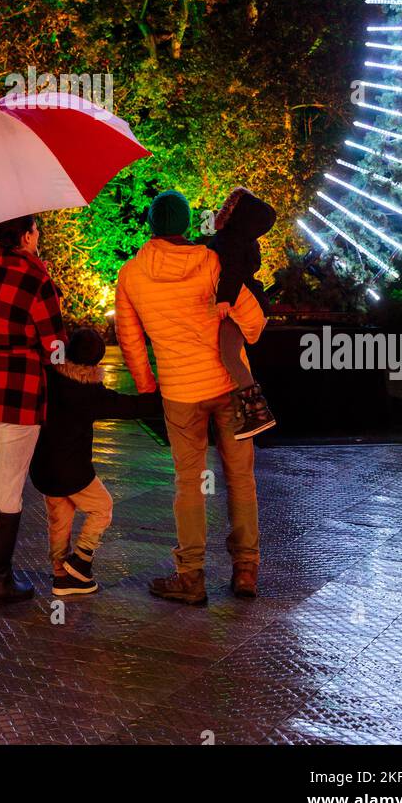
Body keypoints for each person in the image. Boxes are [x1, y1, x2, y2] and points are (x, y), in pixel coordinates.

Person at [114, 189, 267, 605]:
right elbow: (252, 320)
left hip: (181, 392)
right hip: (229, 387)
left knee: (189, 483)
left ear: (151, 226)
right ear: (185, 224)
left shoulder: (131, 274)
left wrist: (147, 384)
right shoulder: (212, 262)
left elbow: (129, 338)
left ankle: (191, 575)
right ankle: (246, 570)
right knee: (240, 478)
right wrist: (239, 333)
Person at [0, 213, 65, 606]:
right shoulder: (36, 279)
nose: (39, 238)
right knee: (9, 485)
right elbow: (55, 345)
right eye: (37, 231)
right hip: (17, 388)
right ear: (25, 235)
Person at [29, 326, 161, 597]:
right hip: (73, 471)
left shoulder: (50, 377)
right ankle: (81, 559)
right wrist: (162, 400)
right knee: (102, 508)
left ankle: (61, 576)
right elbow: (128, 406)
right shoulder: (91, 393)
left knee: (59, 521)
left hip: (44, 468)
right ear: (97, 360)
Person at [208, 186, 278, 440]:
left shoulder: (231, 239)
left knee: (229, 356)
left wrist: (224, 299)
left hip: (244, 304)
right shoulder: (244, 240)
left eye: (229, 206)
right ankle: (249, 413)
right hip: (251, 303)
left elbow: (232, 270)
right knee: (228, 354)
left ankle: (258, 414)